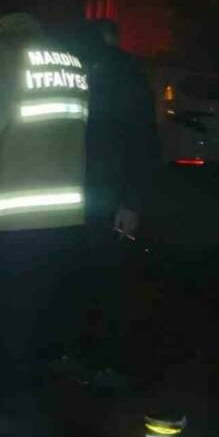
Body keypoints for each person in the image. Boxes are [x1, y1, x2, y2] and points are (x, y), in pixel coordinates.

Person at [0, 0, 91, 404]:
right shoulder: (71, 60)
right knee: (42, 313)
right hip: (65, 215)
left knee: (6, 318)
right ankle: (37, 403)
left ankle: (9, 416)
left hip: (10, 215)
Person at [79, 19, 159, 380]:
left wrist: (131, 203)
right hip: (107, 193)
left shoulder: (116, 75)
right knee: (103, 277)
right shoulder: (125, 74)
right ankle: (99, 358)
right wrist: (132, 202)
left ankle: (103, 359)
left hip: (101, 192)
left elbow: (140, 141)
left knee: (103, 279)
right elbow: (143, 141)